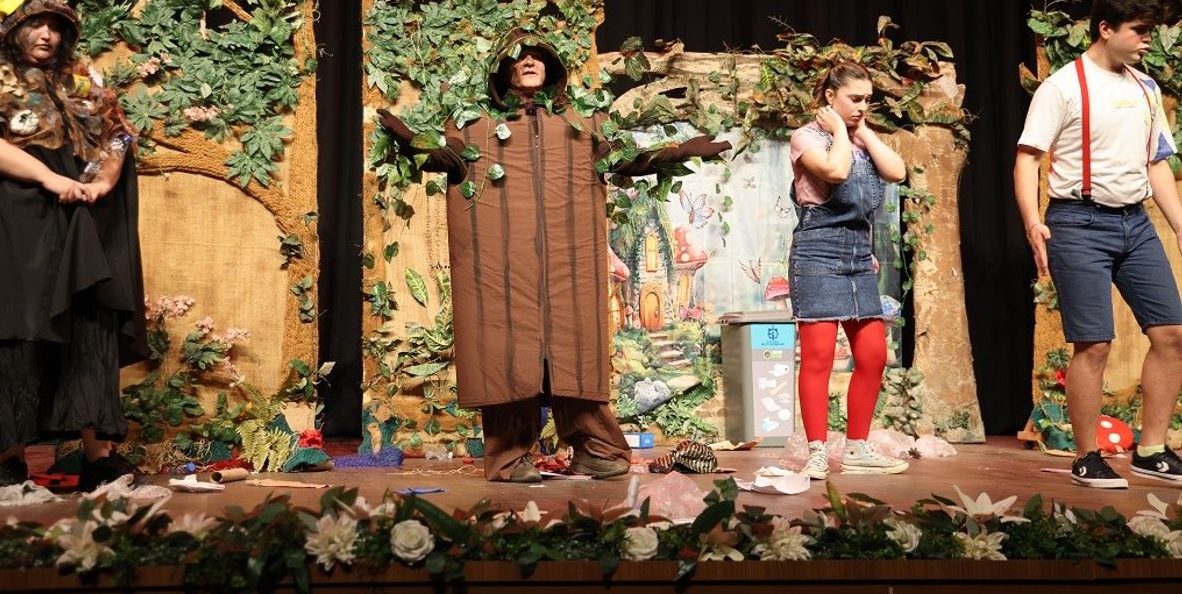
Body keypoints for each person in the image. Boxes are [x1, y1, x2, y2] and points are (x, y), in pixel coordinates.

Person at [378, 28, 729, 481]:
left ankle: (596, 449)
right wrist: (413, 141)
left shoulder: (582, 123)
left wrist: (677, 151)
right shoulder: (475, 125)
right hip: (505, 262)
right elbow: (449, 159)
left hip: (570, 260)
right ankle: (510, 458)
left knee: (574, 354)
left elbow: (622, 159)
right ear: (502, 68)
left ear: (552, 68)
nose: (529, 61)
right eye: (519, 56)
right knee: (509, 355)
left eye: (538, 56)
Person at [0, 0, 147, 491]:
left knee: (89, 325)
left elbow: (117, 136)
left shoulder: (79, 79)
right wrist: (49, 178)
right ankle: (12, 458)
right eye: (36, 24)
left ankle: (98, 457)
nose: (47, 34)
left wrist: (103, 181)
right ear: (11, 28)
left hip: (81, 214)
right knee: (15, 330)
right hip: (14, 219)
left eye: (55, 26)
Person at [1015, 0, 1182, 488]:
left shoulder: (1146, 88)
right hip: (1078, 222)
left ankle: (1152, 449)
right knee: (1094, 344)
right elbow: (1028, 158)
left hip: (1135, 223)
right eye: (1140, 30)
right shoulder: (1063, 86)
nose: (1147, 40)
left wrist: (1179, 224)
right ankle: (1087, 456)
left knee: (1172, 334)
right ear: (1105, 28)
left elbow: (1156, 163)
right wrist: (1033, 221)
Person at [788, 61, 908, 479]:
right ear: (830, 97)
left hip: (858, 257)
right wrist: (840, 130)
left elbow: (897, 172)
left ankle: (857, 448)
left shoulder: (861, 138)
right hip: (818, 253)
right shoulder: (806, 138)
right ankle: (818, 451)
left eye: (868, 100)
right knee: (819, 357)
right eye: (854, 99)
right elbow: (836, 172)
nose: (862, 106)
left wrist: (864, 132)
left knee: (873, 355)